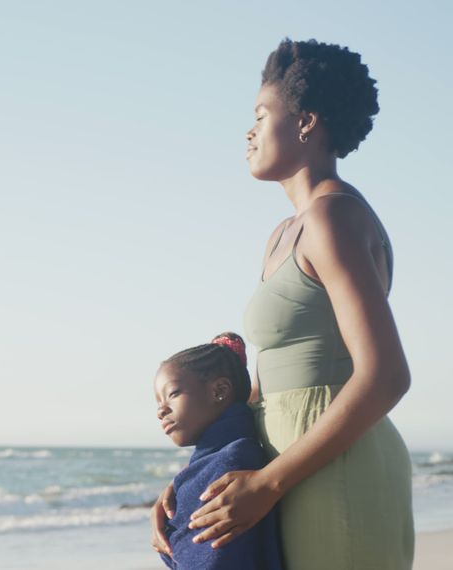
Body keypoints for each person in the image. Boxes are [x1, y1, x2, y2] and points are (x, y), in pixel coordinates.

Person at [150, 38, 414, 569]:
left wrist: (269, 482)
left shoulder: (332, 216)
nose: (249, 130)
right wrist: (191, 482)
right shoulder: (283, 236)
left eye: (261, 114)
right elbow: (267, 388)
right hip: (289, 470)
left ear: (305, 122)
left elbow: (386, 376)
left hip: (335, 471)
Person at [153, 333, 283, 569]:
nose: (161, 410)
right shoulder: (215, 460)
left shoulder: (232, 463)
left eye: (172, 394)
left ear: (219, 390)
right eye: (158, 401)